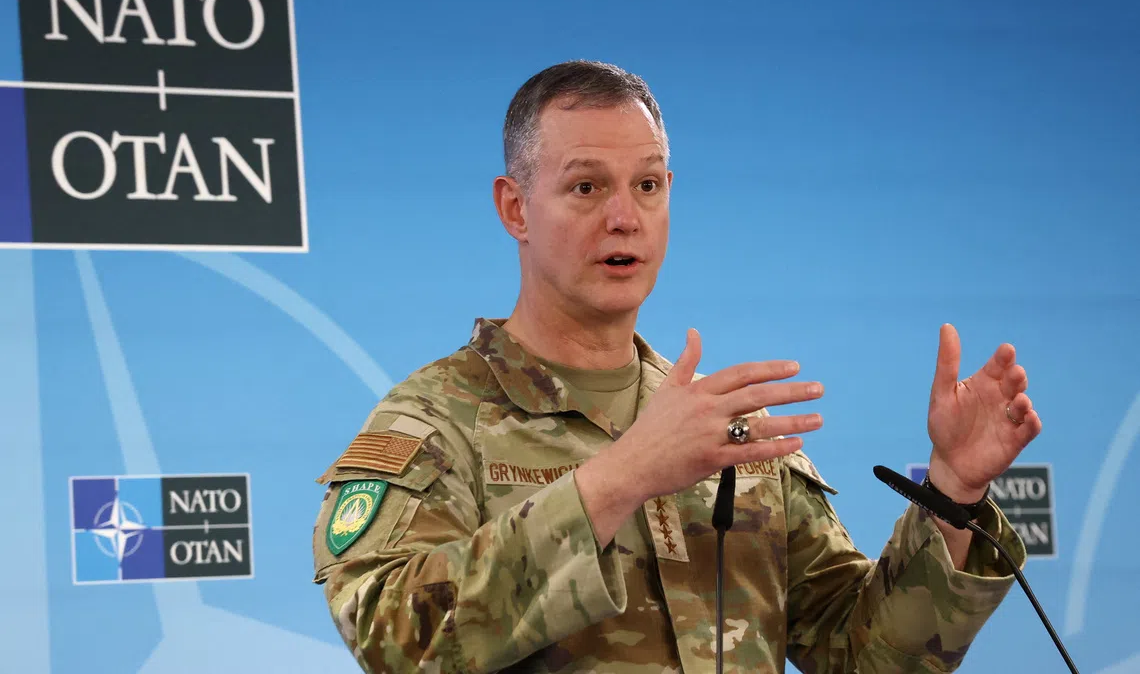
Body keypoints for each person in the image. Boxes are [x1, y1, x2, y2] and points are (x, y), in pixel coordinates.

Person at [311, 60, 1041, 673]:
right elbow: (395, 640)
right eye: (586, 187)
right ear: (516, 208)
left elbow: (866, 656)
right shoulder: (434, 421)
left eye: (649, 185)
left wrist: (953, 490)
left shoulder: (726, 430)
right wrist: (622, 477)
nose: (624, 216)